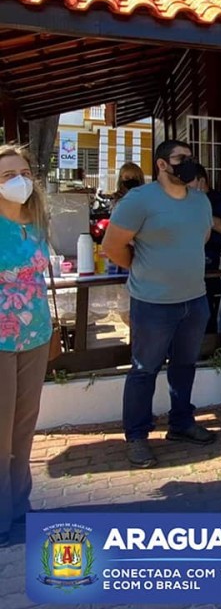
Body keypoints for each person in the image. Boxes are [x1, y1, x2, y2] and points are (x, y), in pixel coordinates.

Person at [102, 140, 214, 468]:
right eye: (181, 159)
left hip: (194, 301)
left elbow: (200, 238)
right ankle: (137, 436)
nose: (188, 164)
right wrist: (142, 268)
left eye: (191, 159)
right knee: (143, 370)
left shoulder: (200, 202)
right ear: (163, 164)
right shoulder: (140, 200)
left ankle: (181, 424)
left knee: (184, 367)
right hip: (152, 304)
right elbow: (112, 246)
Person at [0, 145, 51, 547]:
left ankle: (19, 503)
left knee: (23, 427)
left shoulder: (36, 221)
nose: (18, 180)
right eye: (6, 175)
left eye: (23, 171)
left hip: (35, 338)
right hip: (0, 341)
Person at [194, 164, 221, 333]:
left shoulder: (218, 200)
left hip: (215, 257)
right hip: (189, 259)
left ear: (202, 181)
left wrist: (199, 209)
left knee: (214, 301)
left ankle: (213, 341)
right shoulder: (183, 199)